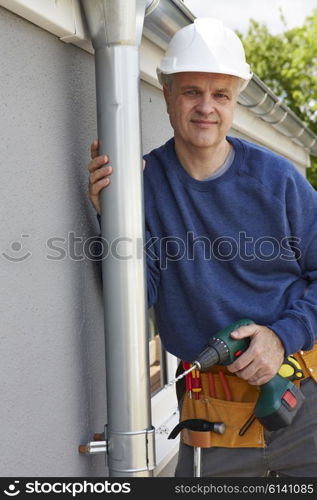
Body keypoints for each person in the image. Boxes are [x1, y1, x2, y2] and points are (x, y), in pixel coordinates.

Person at [87, 18, 317, 477]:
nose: (206, 108)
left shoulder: (279, 182)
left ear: (234, 102)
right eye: (192, 91)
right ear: (167, 93)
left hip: (302, 402)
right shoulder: (141, 187)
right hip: (211, 420)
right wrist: (110, 218)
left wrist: (282, 336)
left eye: (221, 95)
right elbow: (138, 298)